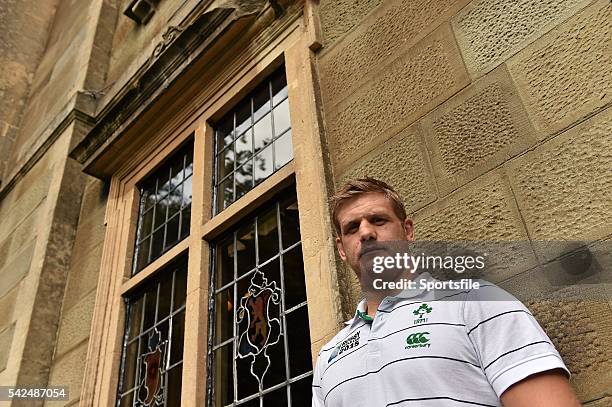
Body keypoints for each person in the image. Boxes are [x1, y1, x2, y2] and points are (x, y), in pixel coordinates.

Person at [311, 177, 581, 407]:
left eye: (378, 220)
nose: (366, 232)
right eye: (352, 227)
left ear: (407, 231)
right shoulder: (328, 358)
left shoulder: (478, 302)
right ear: (342, 249)